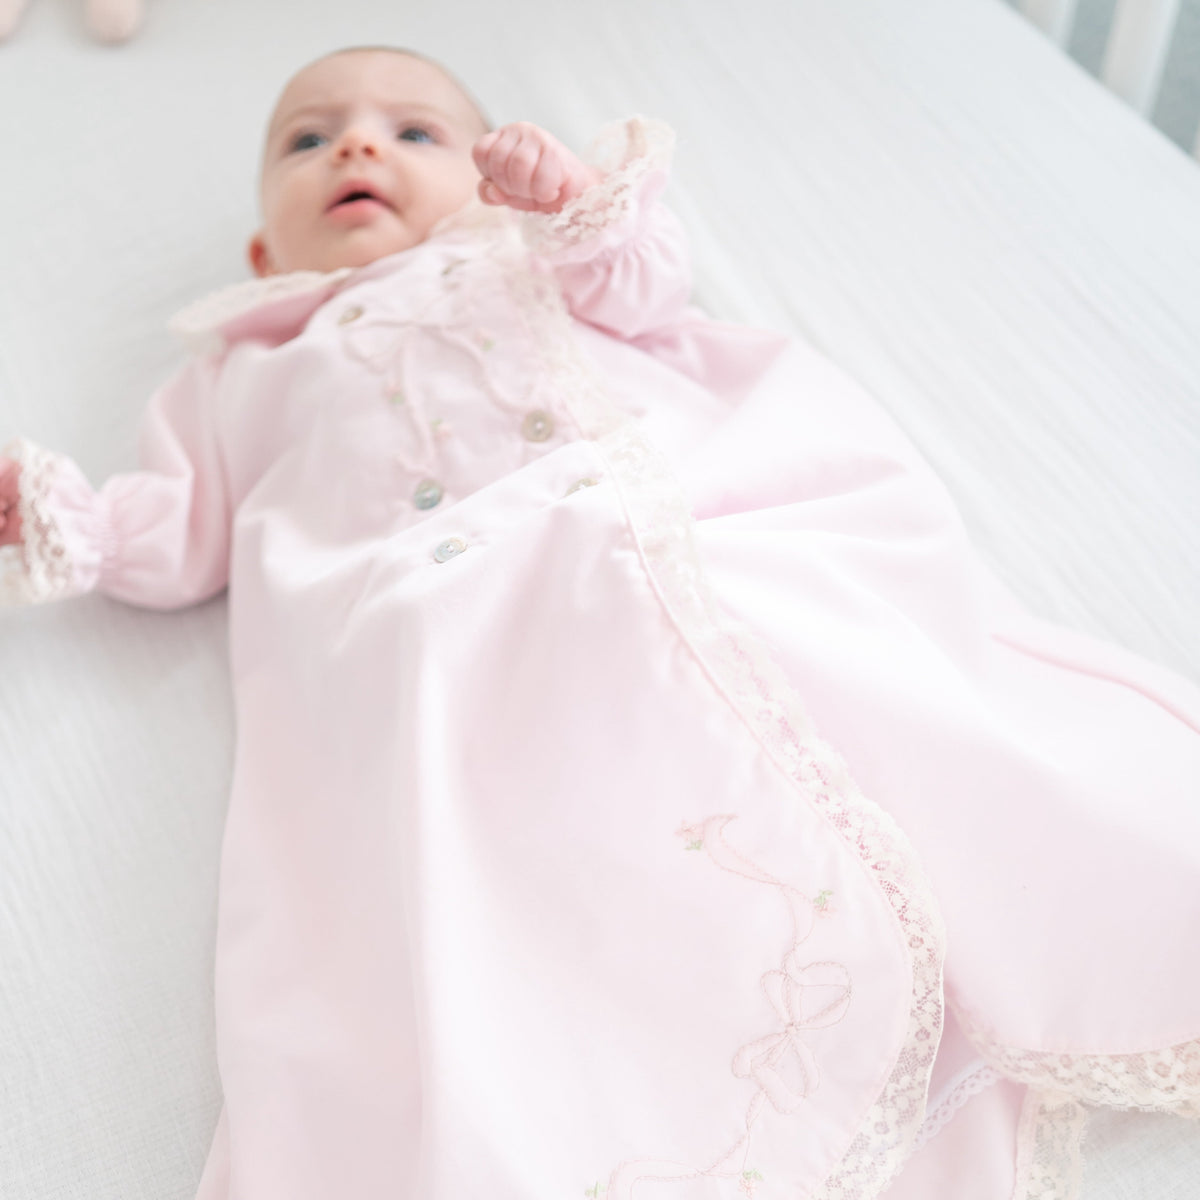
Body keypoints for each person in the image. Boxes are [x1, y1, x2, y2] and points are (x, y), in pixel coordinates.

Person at [2, 45, 1197, 1200]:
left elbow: (650, 289)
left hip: (640, 521)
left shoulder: (521, 251)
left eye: (414, 129)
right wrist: (63, 518)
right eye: (307, 141)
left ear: (486, 178)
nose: (356, 145)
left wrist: (572, 210)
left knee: (819, 660)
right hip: (428, 624)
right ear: (266, 249)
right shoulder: (239, 370)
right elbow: (179, 533)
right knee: (466, 854)